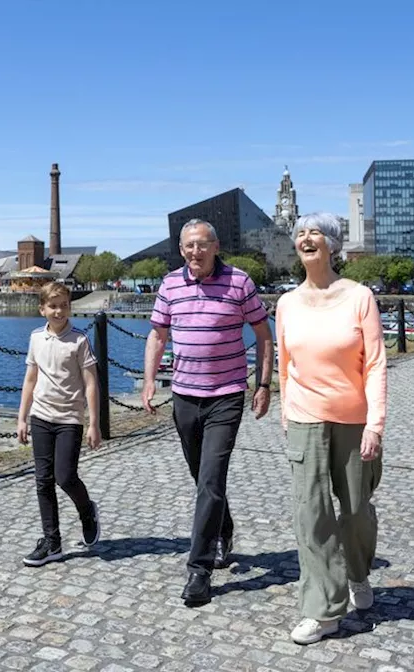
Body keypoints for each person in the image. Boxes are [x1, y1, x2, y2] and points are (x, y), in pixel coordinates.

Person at [142, 218, 274, 606]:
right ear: (180, 249)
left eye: (202, 245)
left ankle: (199, 571)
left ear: (215, 246)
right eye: (188, 246)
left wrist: (263, 385)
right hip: (184, 396)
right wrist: (150, 380)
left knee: (211, 479)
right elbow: (157, 334)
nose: (194, 252)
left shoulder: (239, 282)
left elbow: (263, 334)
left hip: (226, 395)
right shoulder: (169, 284)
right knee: (203, 479)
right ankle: (224, 529)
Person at [275, 212, 387, 645]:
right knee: (312, 514)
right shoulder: (286, 303)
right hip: (305, 418)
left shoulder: (358, 297)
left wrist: (375, 424)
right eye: (301, 233)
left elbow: (375, 363)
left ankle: (358, 571)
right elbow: (285, 366)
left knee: (356, 510)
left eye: (315, 232)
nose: (306, 238)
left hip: (355, 420)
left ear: (333, 244)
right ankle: (322, 609)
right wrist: (287, 414)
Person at [16, 281, 102, 567]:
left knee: (65, 476)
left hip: (69, 419)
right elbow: (30, 379)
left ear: (70, 307)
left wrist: (94, 423)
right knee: (43, 481)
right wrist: (22, 418)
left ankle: (86, 510)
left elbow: (91, 383)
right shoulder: (36, 338)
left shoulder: (79, 340)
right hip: (41, 416)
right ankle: (52, 542)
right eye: (52, 306)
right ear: (42, 309)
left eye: (64, 306)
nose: (58, 311)